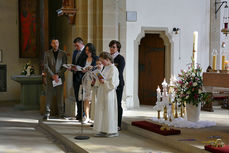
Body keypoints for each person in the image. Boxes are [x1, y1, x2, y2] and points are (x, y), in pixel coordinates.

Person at [94, 52, 119, 138]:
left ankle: (111, 131)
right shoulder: (106, 68)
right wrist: (99, 77)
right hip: (102, 91)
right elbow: (101, 79)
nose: (102, 63)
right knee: (102, 111)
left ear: (108, 60)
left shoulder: (113, 69)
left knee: (109, 111)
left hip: (109, 93)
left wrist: (104, 82)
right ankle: (103, 130)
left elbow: (114, 83)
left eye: (102, 61)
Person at [43, 38, 67, 120]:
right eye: (53, 43)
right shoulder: (47, 53)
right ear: (51, 44)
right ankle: (47, 113)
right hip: (50, 78)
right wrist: (52, 75)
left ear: (58, 43)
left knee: (60, 96)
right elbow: (46, 66)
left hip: (59, 78)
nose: (55, 44)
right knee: (48, 95)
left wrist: (58, 75)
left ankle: (61, 113)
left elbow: (65, 66)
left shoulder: (63, 54)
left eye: (56, 42)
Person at [109, 40, 125, 131]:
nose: (111, 48)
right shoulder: (109, 58)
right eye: (110, 47)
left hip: (118, 84)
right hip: (109, 84)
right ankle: (110, 122)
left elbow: (119, 72)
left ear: (118, 48)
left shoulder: (120, 58)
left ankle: (118, 124)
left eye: (113, 47)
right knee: (110, 104)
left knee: (118, 104)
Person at [80, 43, 98, 124]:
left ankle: (93, 117)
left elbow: (99, 68)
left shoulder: (96, 58)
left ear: (92, 50)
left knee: (92, 99)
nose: (86, 51)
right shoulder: (84, 58)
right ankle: (86, 117)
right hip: (85, 79)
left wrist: (92, 68)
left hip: (93, 80)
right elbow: (81, 68)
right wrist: (83, 70)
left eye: (88, 50)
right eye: (86, 50)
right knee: (86, 99)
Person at [71, 37, 87, 120]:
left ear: (81, 44)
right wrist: (71, 68)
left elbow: (86, 65)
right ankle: (79, 114)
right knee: (77, 96)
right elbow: (74, 63)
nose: (76, 47)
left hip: (82, 77)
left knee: (82, 97)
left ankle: (83, 114)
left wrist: (78, 68)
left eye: (77, 45)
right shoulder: (75, 52)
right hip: (75, 76)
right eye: (75, 46)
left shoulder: (86, 53)